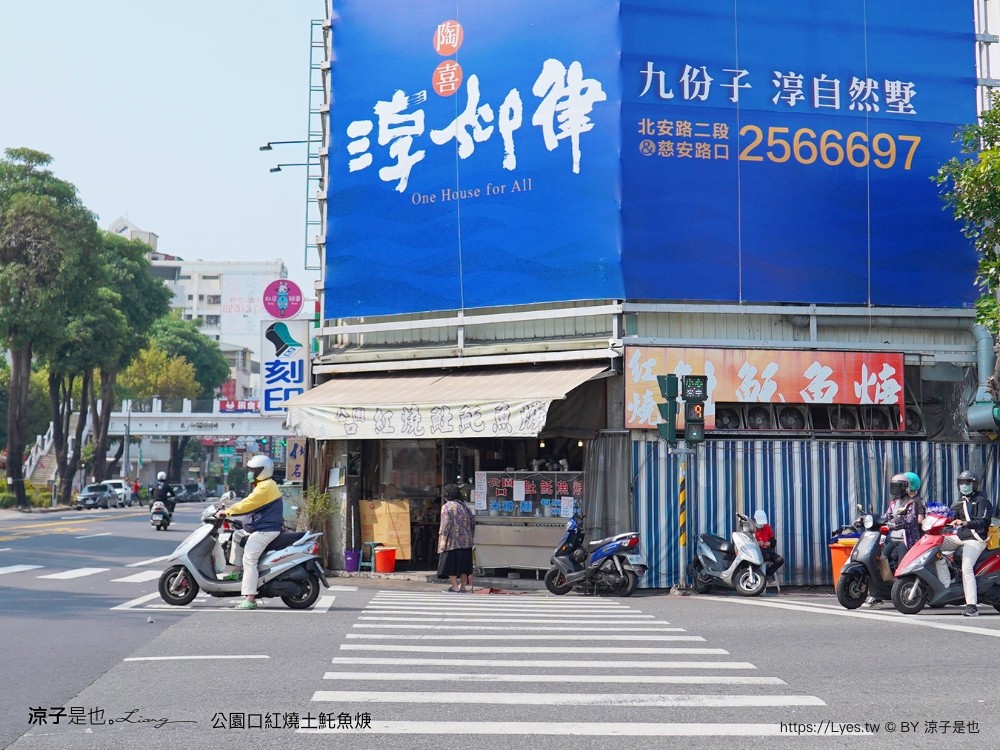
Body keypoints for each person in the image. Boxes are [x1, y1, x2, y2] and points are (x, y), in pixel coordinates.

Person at [217, 455, 284, 610]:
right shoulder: (262, 485)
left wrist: (227, 512)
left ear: (262, 471)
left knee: (249, 558)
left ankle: (250, 598)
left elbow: (249, 504)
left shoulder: (266, 486)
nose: (249, 473)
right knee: (237, 535)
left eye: (253, 470)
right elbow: (248, 503)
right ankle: (237, 571)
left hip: (266, 530)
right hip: (259, 528)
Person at [936, 470, 995, 617]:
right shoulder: (960, 502)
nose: (964, 485)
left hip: (976, 540)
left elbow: (984, 521)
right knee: (934, 547)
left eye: (967, 483)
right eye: (961, 483)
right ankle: (946, 584)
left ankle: (972, 606)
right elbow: (951, 517)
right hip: (959, 537)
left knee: (966, 568)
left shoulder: (982, 501)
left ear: (974, 485)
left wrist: (965, 523)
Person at [862, 472, 924, 609]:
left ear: (906, 487)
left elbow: (910, 520)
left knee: (901, 566)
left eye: (898, 486)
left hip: (906, 540)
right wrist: (872, 520)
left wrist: (895, 523)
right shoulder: (894, 503)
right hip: (893, 538)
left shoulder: (912, 503)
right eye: (894, 486)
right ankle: (879, 593)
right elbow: (885, 516)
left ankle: (901, 592)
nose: (895, 489)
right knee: (880, 559)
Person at [437, 484, 476, 593]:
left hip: (453, 541)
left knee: (451, 564)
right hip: (466, 541)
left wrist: (443, 540)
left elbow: (445, 524)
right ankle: (462, 587)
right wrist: (470, 535)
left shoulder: (447, 506)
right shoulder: (465, 507)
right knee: (464, 565)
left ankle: (454, 586)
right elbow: (473, 522)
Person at [753, 510, 784, 584]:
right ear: (755, 520)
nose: (760, 527)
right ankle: (758, 577)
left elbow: (773, 541)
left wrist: (769, 543)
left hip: (768, 552)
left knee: (780, 560)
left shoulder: (767, 528)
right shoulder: (751, 529)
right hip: (757, 553)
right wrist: (757, 543)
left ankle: (767, 574)